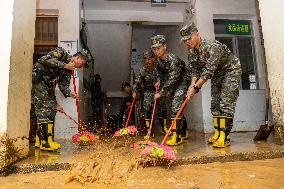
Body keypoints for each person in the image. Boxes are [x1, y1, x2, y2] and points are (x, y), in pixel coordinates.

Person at [180, 22, 242, 148]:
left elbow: (208, 71)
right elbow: (195, 70)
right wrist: (192, 85)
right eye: (185, 40)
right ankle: (218, 133)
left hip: (230, 70)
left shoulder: (212, 46)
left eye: (189, 38)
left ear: (197, 34)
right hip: (217, 74)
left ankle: (225, 137)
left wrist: (196, 88)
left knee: (225, 102)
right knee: (215, 103)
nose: (188, 42)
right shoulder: (192, 51)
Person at [32, 47, 90, 151]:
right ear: (77, 57)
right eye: (82, 63)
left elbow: (63, 85)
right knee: (45, 109)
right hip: (38, 79)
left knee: (51, 111)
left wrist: (70, 93)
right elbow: (44, 60)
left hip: (49, 85)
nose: (81, 66)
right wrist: (64, 65)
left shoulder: (69, 71)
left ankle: (40, 140)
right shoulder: (61, 52)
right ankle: (45, 143)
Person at [151, 35, 190, 146]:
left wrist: (161, 93)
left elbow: (173, 78)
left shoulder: (173, 60)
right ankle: (183, 132)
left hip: (182, 82)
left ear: (165, 46)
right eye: (154, 49)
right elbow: (160, 73)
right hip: (172, 84)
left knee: (176, 108)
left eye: (158, 48)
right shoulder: (158, 61)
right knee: (176, 109)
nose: (156, 51)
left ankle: (177, 137)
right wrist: (158, 81)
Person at [132, 50, 167, 139]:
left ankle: (165, 128)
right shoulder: (142, 70)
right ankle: (150, 131)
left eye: (149, 58)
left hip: (159, 91)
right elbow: (137, 82)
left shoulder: (159, 68)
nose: (147, 61)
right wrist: (135, 91)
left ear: (153, 59)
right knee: (146, 110)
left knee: (162, 110)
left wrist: (160, 83)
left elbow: (164, 79)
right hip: (148, 91)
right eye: (145, 59)